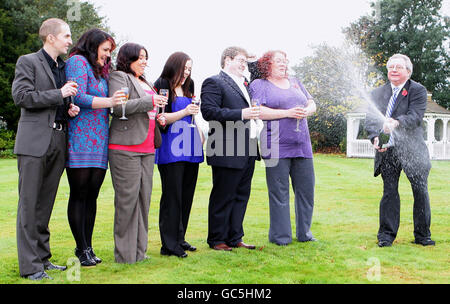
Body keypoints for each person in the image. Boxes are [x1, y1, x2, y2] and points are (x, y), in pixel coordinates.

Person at [12, 18, 80, 280]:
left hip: (58, 141)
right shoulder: (28, 61)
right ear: (50, 37)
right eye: (66, 36)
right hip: (33, 143)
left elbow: (57, 100)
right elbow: (22, 97)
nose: (70, 41)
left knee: (45, 205)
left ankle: (42, 258)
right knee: (29, 205)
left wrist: (68, 108)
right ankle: (30, 267)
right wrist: (59, 95)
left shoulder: (61, 67)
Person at [65, 29, 123, 266]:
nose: (108, 55)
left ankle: (89, 247)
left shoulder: (102, 71)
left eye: (110, 51)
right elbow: (78, 97)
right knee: (79, 194)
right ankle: (81, 248)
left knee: (92, 195)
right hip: (80, 136)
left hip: (100, 138)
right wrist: (109, 102)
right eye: (106, 50)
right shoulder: (77, 61)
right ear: (93, 45)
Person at [365, 53, 434, 247]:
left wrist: (396, 122)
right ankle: (386, 235)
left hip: (413, 150)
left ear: (408, 71)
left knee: (420, 191)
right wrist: (375, 138)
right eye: (390, 67)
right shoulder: (377, 93)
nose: (393, 70)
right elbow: (370, 120)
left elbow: (415, 116)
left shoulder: (417, 90)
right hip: (387, 151)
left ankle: (422, 235)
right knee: (389, 192)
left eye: (398, 67)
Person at [249, 50, 317, 246]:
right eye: (279, 61)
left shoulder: (295, 81)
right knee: (279, 192)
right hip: (275, 145)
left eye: (285, 61)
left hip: (302, 145)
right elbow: (258, 111)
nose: (284, 64)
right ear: (267, 64)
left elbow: (311, 103)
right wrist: (287, 112)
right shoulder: (259, 85)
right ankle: (281, 237)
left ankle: (305, 233)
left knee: (306, 191)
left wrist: (306, 110)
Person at [108, 43, 167, 263]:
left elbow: (147, 110)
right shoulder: (119, 76)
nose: (144, 61)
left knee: (144, 200)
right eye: (140, 57)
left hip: (148, 147)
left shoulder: (145, 81)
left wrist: (157, 116)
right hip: (125, 147)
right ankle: (125, 255)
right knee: (127, 201)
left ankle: (140, 252)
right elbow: (117, 107)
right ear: (127, 58)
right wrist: (150, 101)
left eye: (146, 57)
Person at [201, 46, 260, 251]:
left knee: (241, 195)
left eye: (246, 61)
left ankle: (235, 237)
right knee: (223, 195)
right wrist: (242, 114)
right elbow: (209, 112)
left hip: (248, 149)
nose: (244, 65)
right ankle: (217, 239)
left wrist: (253, 59)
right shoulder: (214, 82)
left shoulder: (244, 83)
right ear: (227, 60)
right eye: (241, 60)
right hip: (226, 149)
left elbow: (260, 72)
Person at [154, 52, 204, 258]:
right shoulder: (162, 84)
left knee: (186, 195)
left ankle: (180, 237)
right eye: (184, 69)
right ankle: (168, 244)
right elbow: (161, 117)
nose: (187, 73)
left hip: (191, 146)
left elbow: (193, 114)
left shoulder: (189, 86)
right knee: (172, 196)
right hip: (171, 147)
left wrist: (200, 133)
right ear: (174, 66)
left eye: (190, 69)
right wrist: (184, 113)